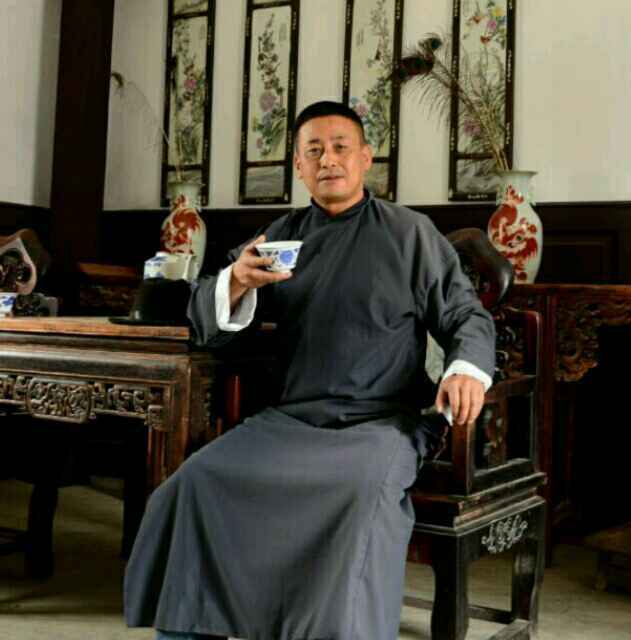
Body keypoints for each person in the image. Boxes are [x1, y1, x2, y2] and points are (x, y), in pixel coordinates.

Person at [124, 101, 495, 640]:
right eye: (313, 151)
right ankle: (188, 631)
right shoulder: (280, 238)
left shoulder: (410, 233)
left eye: (340, 147)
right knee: (192, 485)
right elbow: (209, 316)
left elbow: (467, 315)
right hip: (291, 419)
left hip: (381, 422)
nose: (328, 160)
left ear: (365, 158)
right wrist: (236, 281)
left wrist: (464, 370)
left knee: (360, 499)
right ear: (299, 167)